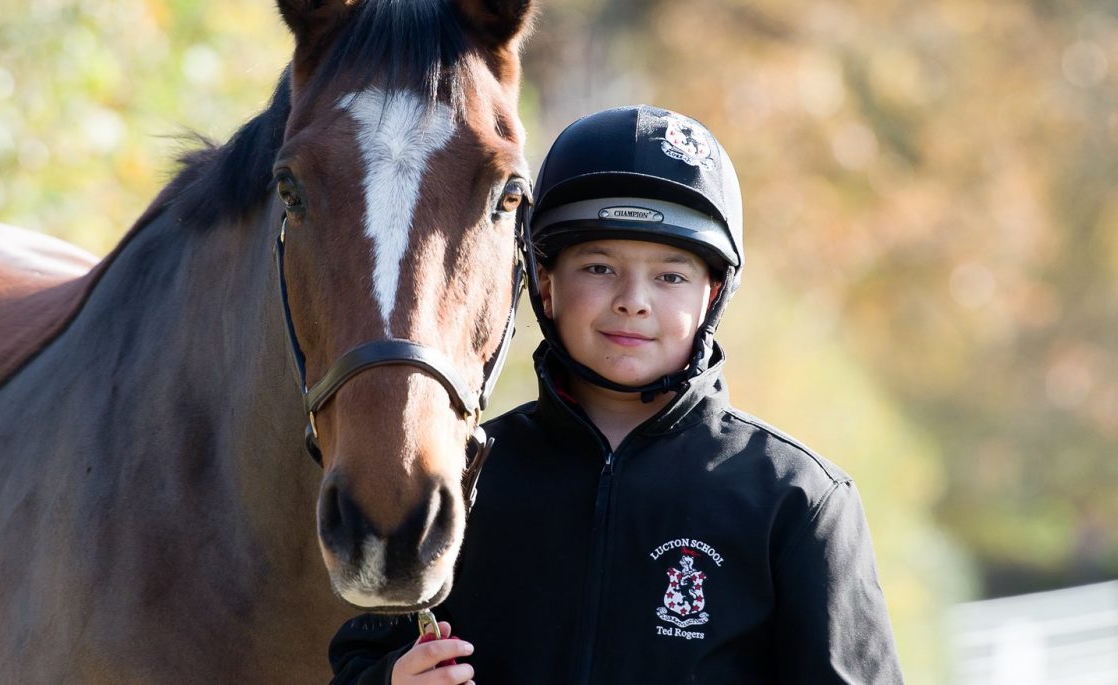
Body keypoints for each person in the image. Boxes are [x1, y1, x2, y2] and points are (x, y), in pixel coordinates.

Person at [328, 105, 904, 684]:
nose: (633, 300)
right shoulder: (449, 480)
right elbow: (355, 661)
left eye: (671, 276)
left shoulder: (798, 500)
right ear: (545, 283)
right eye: (599, 267)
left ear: (713, 293)